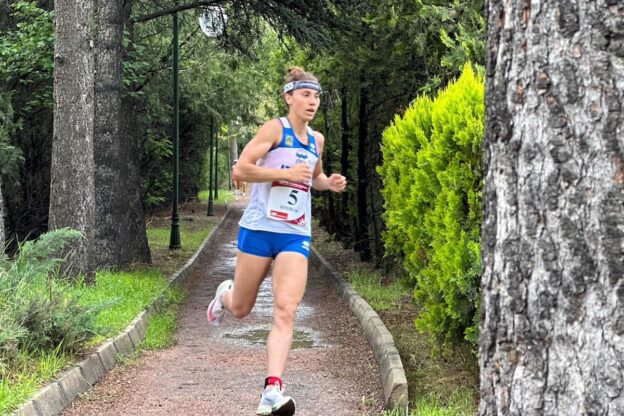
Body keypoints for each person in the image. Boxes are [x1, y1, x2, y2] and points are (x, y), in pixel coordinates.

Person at [206, 66, 347, 416]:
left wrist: (328, 183)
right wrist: (283, 174)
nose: (312, 102)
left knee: (286, 310)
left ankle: (272, 390)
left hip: (295, 234)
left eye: (316, 96)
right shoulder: (275, 129)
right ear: (289, 97)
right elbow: (241, 169)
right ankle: (224, 296)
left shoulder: (316, 140)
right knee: (241, 308)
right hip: (258, 229)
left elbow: (312, 177)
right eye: (305, 95)